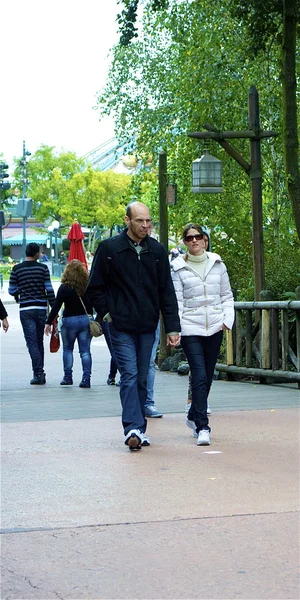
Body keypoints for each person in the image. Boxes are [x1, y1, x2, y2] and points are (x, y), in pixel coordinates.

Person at [87, 201, 180, 450]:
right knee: (129, 375)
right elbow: (93, 288)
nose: (145, 225)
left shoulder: (158, 251)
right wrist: (108, 313)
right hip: (119, 325)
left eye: (149, 221)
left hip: (147, 325)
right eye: (140, 220)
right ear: (127, 220)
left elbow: (166, 292)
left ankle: (139, 427)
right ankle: (133, 428)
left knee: (142, 377)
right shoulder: (109, 248)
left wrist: (172, 327)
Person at [171, 223, 234, 446]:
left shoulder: (217, 264)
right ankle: (202, 425)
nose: (194, 241)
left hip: (215, 325)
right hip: (191, 327)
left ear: (205, 239)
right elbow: (176, 301)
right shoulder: (177, 267)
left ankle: (192, 415)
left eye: (198, 237)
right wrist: (176, 328)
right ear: (185, 242)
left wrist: (227, 319)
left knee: (207, 375)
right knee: (198, 374)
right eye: (189, 238)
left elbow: (227, 294)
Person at [8, 242, 55, 385]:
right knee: (39, 341)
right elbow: (49, 290)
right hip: (41, 309)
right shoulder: (43, 268)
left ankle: (39, 373)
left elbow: (11, 290)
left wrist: (19, 292)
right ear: (36, 254)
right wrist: (54, 310)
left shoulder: (17, 269)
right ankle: (40, 372)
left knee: (32, 343)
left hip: (26, 310)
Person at [44, 259, 93, 388]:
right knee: (85, 351)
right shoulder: (87, 286)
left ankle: (67, 377)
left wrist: (48, 322)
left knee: (68, 349)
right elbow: (93, 303)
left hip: (69, 321)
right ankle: (86, 379)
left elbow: (56, 306)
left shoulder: (64, 287)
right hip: (84, 320)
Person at [144, 321, 163, 418]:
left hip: (151, 318)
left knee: (150, 362)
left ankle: (148, 403)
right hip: (126, 318)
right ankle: (133, 404)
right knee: (130, 364)